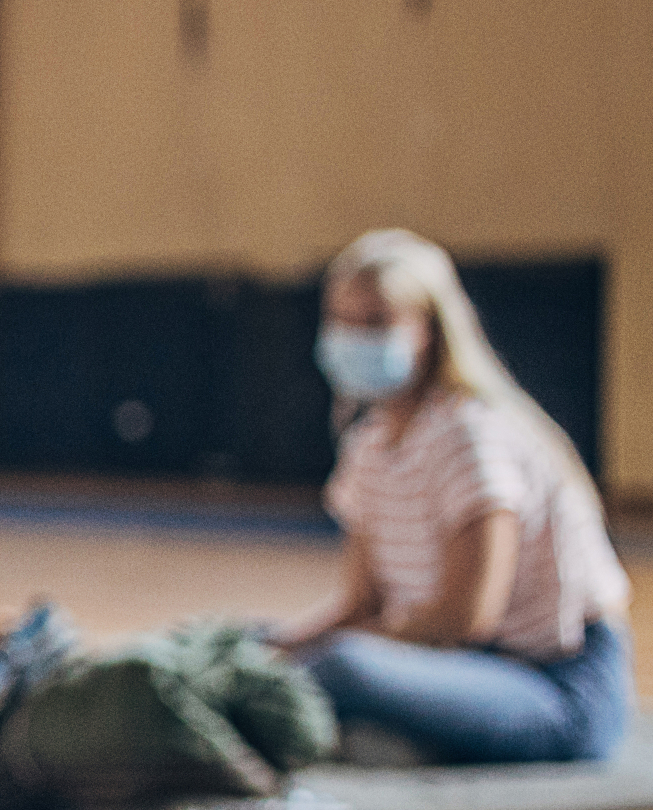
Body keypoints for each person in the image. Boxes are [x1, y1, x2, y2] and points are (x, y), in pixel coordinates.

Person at [269, 228, 633, 764]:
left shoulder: (469, 435)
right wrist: (275, 649)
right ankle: (402, 737)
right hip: (461, 668)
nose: (353, 338)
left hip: (554, 686)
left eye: (375, 324)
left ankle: (398, 733)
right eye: (342, 322)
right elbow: (363, 604)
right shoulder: (369, 446)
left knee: (343, 667)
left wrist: (314, 658)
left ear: (429, 332)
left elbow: (466, 619)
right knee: (261, 640)